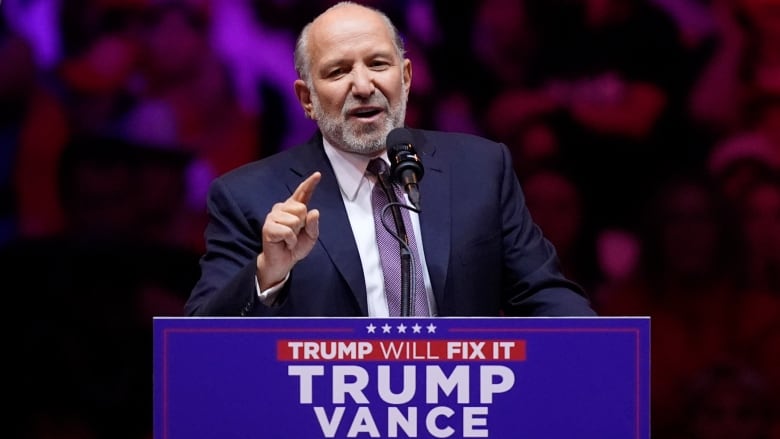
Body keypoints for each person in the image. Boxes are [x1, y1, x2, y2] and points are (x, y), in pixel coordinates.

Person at [184, 1, 597, 318]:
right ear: (306, 99)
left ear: (406, 78)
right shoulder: (249, 196)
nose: (363, 85)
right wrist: (267, 273)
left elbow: (543, 294)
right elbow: (200, 344)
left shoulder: (481, 169)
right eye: (337, 71)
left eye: (378, 64)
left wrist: (601, 355)